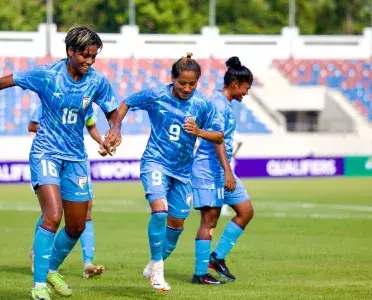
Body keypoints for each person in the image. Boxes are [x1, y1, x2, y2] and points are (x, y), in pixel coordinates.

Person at [0, 25, 122, 300]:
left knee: (77, 226)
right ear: (70, 51)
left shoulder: (97, 81)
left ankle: (52, 268)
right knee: (53, 215)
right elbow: (4, 81)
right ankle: (39, 285)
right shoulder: (47, 75)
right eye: (85, 56)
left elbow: (114, 113)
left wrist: (115, 130)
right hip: (46, 153)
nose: (90, 62)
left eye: (93, 56)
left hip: (76, 157)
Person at [117, 53, 224, 292]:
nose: (187, 88)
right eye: (182, 83)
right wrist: (116, 128)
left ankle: (154, 263)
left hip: (183, 172)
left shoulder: (202, 104)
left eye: (192, 84)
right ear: (173, 79)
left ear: (197, 82)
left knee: (176, 227)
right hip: (155, 163)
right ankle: (157, 271)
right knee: (159, 212)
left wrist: (199, 131)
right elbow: (126, 102)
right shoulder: (156, 95)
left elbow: (218, 135)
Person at [191, 56, 255, 285]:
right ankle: (200, 273)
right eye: (246, 87)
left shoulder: (224, 104)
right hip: (209, 169)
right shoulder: (217, 103)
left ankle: (216, 258)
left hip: (222, 170)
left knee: (246, 210)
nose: (247, 92)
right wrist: (228, 172)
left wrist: (227, 171)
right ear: (236, 84)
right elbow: (217, 140)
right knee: (210, 219)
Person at [27, 102, 106, 279]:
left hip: (77, 158)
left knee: (86, 208)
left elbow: (90, 126)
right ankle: (37, 252)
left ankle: (88, 262)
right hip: (52, 156)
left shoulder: (87, 103)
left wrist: (102, 142)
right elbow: (32, 125)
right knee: (53, 210)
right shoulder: (52, 97)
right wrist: (58, 131)